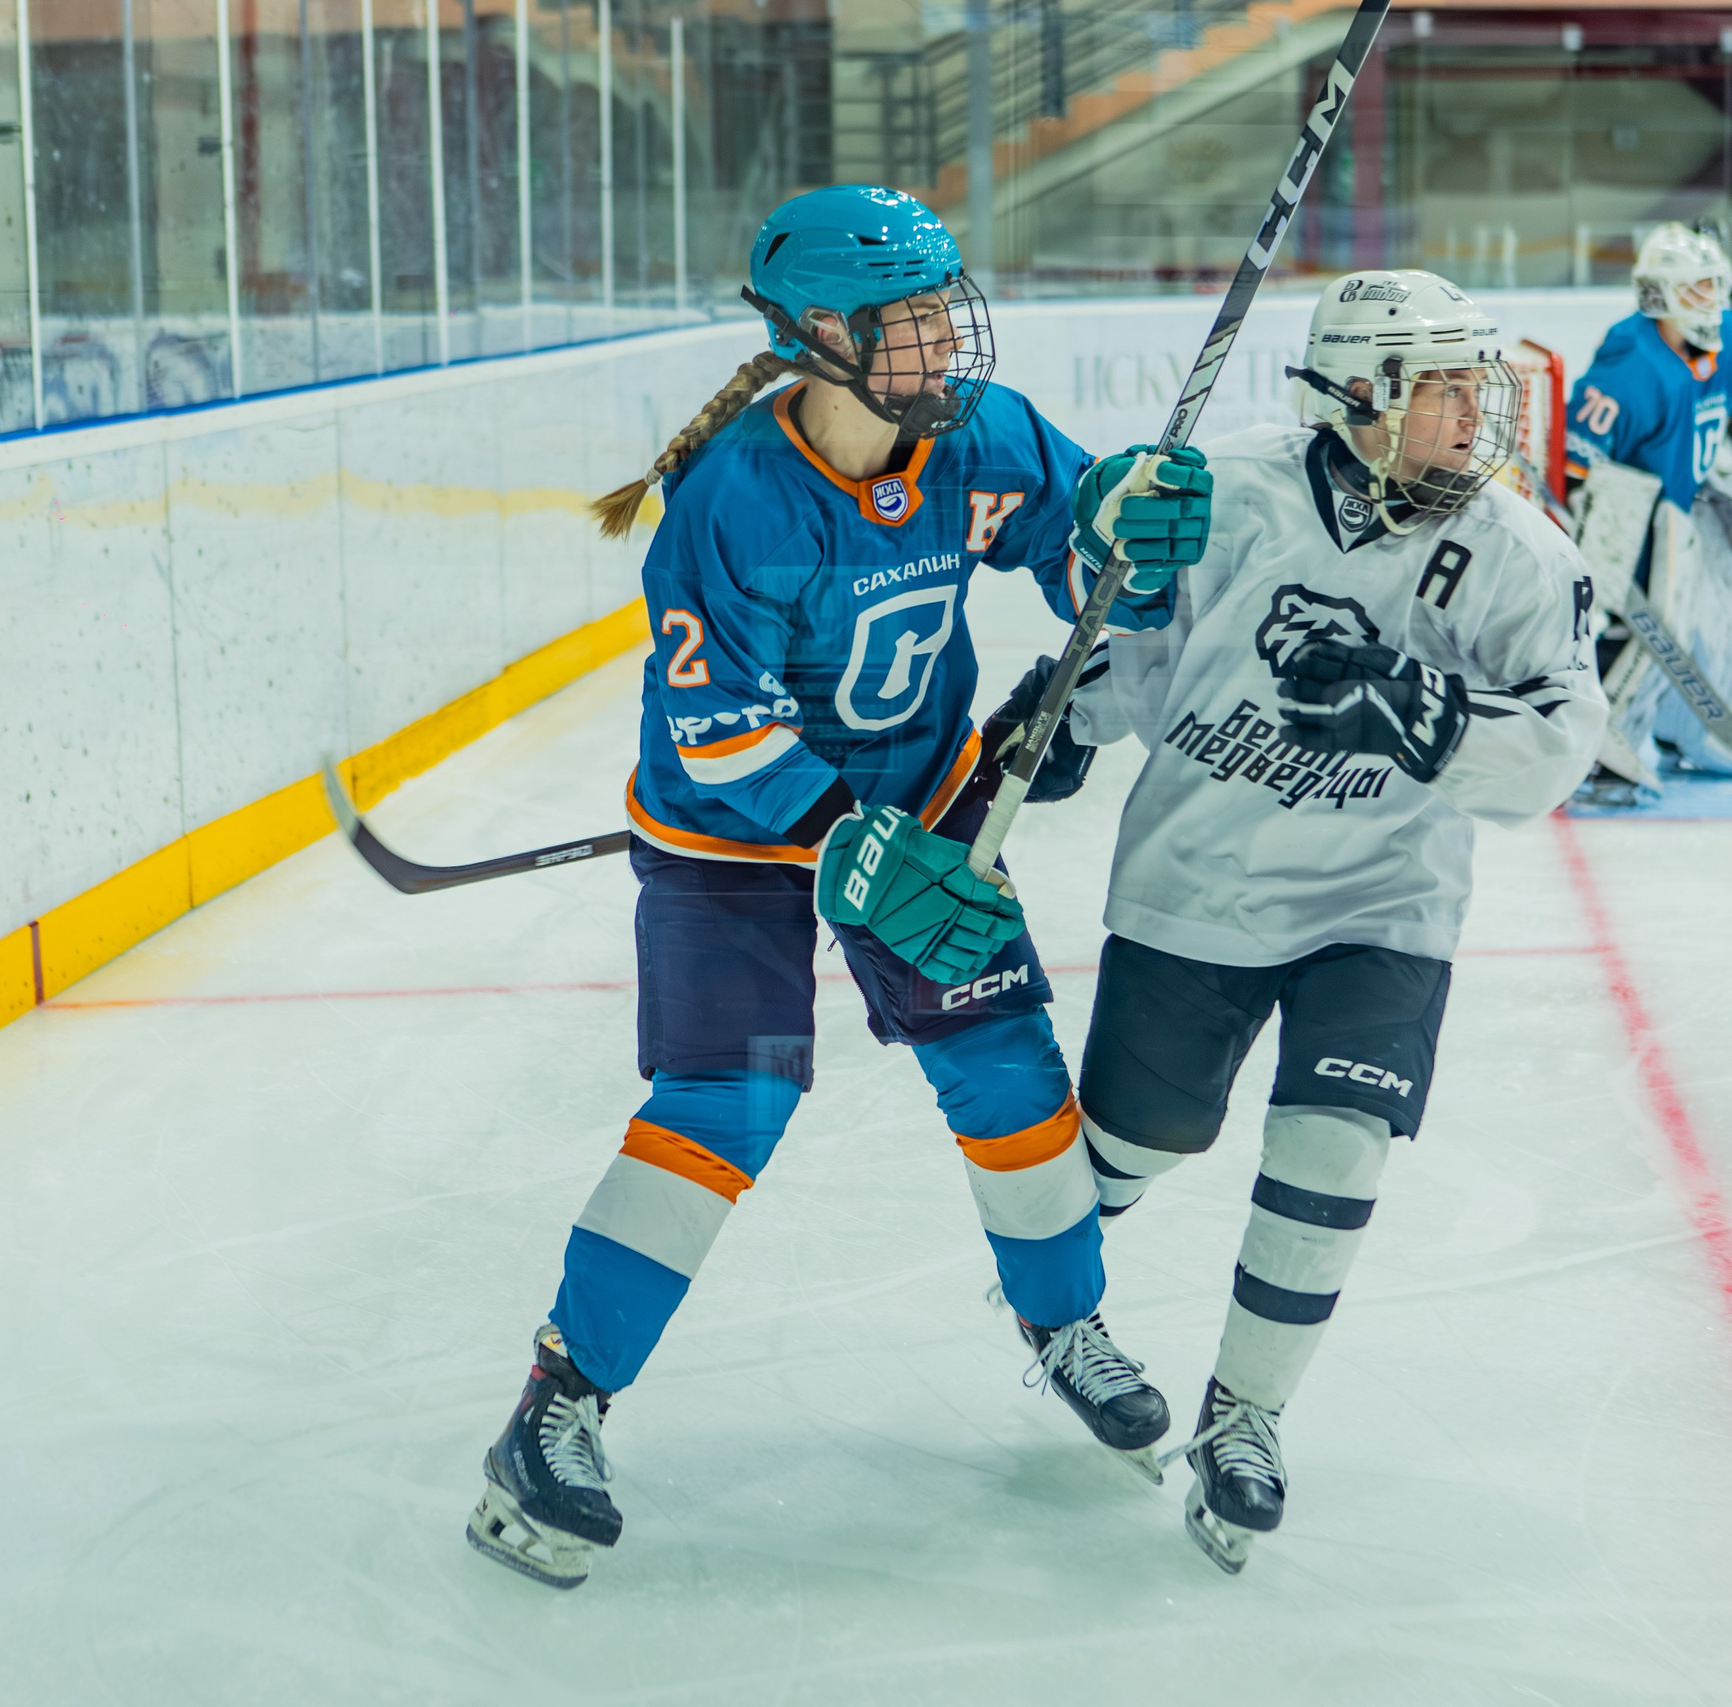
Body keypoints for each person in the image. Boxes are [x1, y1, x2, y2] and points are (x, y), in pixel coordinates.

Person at [464, 186, 1216, 1589]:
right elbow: (717, 728)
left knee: (1008, 1068)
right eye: (908, 317)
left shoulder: (980, 435)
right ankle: (554, 1408)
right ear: (820, 332)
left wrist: (1125, 534)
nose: (944, 337)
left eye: (943, 306)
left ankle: (1065, 1325)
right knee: (727, 1102)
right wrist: (845, 841)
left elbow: (1085, 566)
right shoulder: (734, 500)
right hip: (735, 839)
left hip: (924, 806)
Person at [1055, 268, 1607, 1572]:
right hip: (1201, 881)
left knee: (1338, 1147)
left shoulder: (1520, 552)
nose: (1477, 411)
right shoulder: (1225, 494)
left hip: (1384, 901)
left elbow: (1558, 743)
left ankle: (1244, 1414)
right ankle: (1055, 1307)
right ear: (1363, 395)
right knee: (1129, 1148)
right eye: (1445, 388)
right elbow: (1137, 661)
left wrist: (1427, 718)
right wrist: (1070, 686)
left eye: (1479, 383)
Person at [1562, 222, 1732, 805]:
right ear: (1658, 294)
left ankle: (1688, 731)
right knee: (1650, 633)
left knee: (1721, 620)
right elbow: (1578, 463)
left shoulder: (1729, 336)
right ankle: (1598, 754)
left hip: (1688, 508)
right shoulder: (1630, 364)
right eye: (1694, 289)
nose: (1709, 301)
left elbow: (1726, 408)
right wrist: (1598, 541)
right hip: (1638, 516)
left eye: (1714, 286)